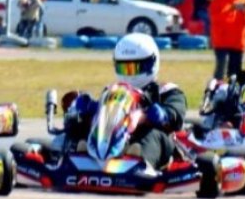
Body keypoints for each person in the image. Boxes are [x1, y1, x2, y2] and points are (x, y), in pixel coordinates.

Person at [65, 33, 187, 170]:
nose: (128, 74)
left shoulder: (167, 91)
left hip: (150, 142)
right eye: (124, 68)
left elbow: (176, 118)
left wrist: (147, 116)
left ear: (151, 63)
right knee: (79, 126)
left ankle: (140, 161)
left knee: (153, 134)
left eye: (134, 68)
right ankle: (80, 153)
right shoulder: (112, 91)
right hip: (113, 140)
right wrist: (86, 109)